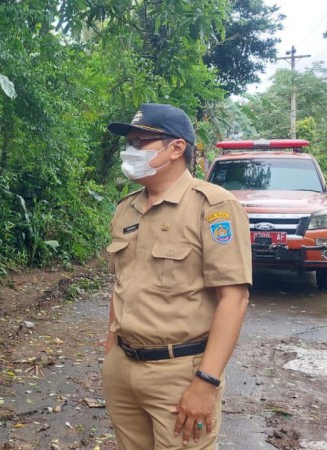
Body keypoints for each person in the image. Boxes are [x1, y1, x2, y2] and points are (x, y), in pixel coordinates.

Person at [102, 103, 251, 449]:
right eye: (129, 144)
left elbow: (235, 298)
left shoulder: (212, 206)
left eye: (141, 143)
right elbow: (122, 284)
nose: (130, 152)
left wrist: (206, 381)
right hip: (123, 368)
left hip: (180, 373)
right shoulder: (127, 208)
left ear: (176, 148)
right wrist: (111, 351)